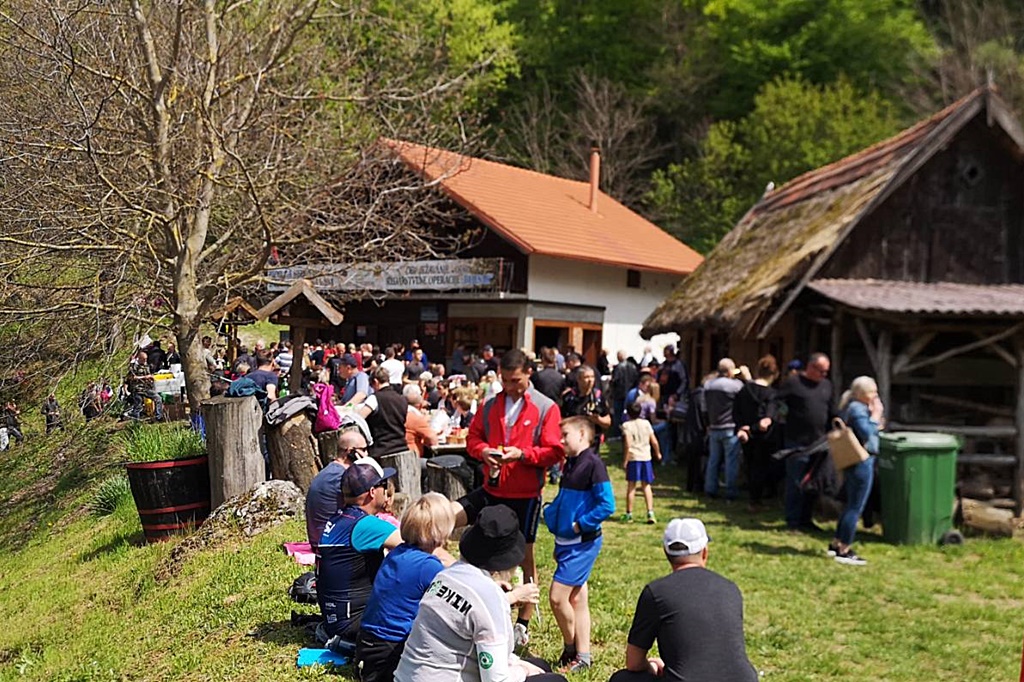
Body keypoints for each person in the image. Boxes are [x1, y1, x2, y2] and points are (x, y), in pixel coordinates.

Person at [458, 348, 564, 651]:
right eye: (504, 380)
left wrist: (523, 455)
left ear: (528, 374)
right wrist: (485, 453)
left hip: (526, 492)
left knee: (524, 555)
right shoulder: (491, 404)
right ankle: (490, 609)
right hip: (494, 488)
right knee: (487, 552)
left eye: (514, 380)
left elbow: (554, 451)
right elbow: (473, 439)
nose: (509, 386)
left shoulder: (546, 408)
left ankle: (524, 622)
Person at [394, 505, 565, 682]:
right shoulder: (490, 599)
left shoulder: (445, 576)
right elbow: (496, 680)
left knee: (541, 665)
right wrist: (523, 670)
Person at [610, 518, 758, 682]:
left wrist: (653, 666)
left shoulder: (657, 592)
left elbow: (634, 663)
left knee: (622, 679)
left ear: (666, 553)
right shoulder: (731, 588)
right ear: (704, 552)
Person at [356, 493, 456, 682]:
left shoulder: (397, 553)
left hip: (366, 646)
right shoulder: (429, 566)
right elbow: (459, 595)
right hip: (392, 652)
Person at [542, 416, 615, 672]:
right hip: (567, 542)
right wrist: (554, 519)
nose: (561, 441)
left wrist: (579, 525)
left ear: (582, 434)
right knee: (577, 598)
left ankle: (570, 646)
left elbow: (607, 504)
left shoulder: (594, 464)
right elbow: (565, 499)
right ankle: (582, 657)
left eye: (565, 436)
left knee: (557, 597)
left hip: (581, 543)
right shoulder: (570, 463)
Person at [316, 457, 402, 654]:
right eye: (383, 485)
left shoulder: (338, 519)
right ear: (373, 492)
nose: (386, 490)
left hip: (335, 620)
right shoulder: (364, 525)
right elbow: (417, 543)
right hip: (353, 624)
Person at [769, 352, 835, 532]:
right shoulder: (794, 382)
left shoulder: (826, 386)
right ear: (811, 367)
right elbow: (775, 401)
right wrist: (771, 417)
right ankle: (793, 521)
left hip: (819, 442)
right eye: (821, 371)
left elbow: (831, 409)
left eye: (826, 372)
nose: (824, 375)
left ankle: (806, 519)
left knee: (812, 484)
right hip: (796, 441)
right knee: (796, 482)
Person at [830, 376, 883, 566]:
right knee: (856, 506)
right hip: (862, 460)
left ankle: (836, 542)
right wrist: (876, 417)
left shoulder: (852, 406)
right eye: (873, 392)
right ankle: (844, 549)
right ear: (861, 394)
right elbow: (865, 432)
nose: (876, 395)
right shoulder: (858, 409)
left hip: (853, 460)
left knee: (849, 504)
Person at [734, 355, 782, 512]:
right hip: (764, 437)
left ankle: (752, 499)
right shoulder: (771, 394)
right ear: (775, 374)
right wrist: (759, 424)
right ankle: (757, 501)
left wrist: (742, 427)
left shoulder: (744, 390)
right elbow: (768, 419)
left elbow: (736, 411)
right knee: (761, 468)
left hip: (746, 435)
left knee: (749, 465)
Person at [306, 428, 367, 549]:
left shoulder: (330, 471)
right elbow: (366, 506)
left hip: (320, 539)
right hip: (330, 543)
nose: (367, 454)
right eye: (364, 450)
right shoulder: (343, 476)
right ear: (350, 451)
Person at [703, 358, 744, 500]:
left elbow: (704, 407)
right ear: (729, 371)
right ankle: (730, 491)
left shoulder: (708, 385)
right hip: (730, 427)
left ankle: (710, 488)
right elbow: (748, 394)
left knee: (713, 460)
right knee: (731, 461)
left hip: (714, 426)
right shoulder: (736, 386)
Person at [358, 367, 412, 461]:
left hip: (381, 449)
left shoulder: (374, 398)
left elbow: (359, 418)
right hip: (401, 446)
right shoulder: (402, 399)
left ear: (375, 381)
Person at [620, 402, 661, 523]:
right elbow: (653, 441)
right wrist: (657, 452)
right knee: (646, 486)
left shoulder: (626, 425)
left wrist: (625, 459)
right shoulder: (646, 423)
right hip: (646, 457)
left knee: (631, 486)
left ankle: (629, 513)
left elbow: (628, 443)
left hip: (633, 457)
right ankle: (650, 512)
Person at [560, 365, 611, 434]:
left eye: (592, 377)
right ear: (579, 379)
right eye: (586, 377)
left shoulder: (598, 396)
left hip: (593, 439)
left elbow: (608, 422)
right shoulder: (569, 397)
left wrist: (598, 420)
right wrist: (576, 420)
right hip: (574, 436)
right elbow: (560, 420)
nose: (590, 380)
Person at [403, 384, 439, 457]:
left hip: (403, 453)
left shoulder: (402, 413)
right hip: (413, 458)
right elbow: (433, 440)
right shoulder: (416, 418)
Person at [127, 352, 163, 421]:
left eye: (146, 359)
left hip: (146, 388)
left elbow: (149, 374)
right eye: (143, 359)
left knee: (158, 398)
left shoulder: (147, 366)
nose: (145, 361)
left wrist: (151, 378)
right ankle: (135, 420)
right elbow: (132, 377)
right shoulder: (133, 366)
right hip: (138, 388)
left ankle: (159, 416)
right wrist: (144, 377)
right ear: (139, 358)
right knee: (138, 405)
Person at [610, 351, 639, 438]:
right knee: (629, 415)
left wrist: (611, 387)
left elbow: (615, 380)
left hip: (619, 395)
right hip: (630, 395)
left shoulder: (618, 368)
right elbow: (636, 379)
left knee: (618, 416)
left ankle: (618, 434)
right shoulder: (633, 367)